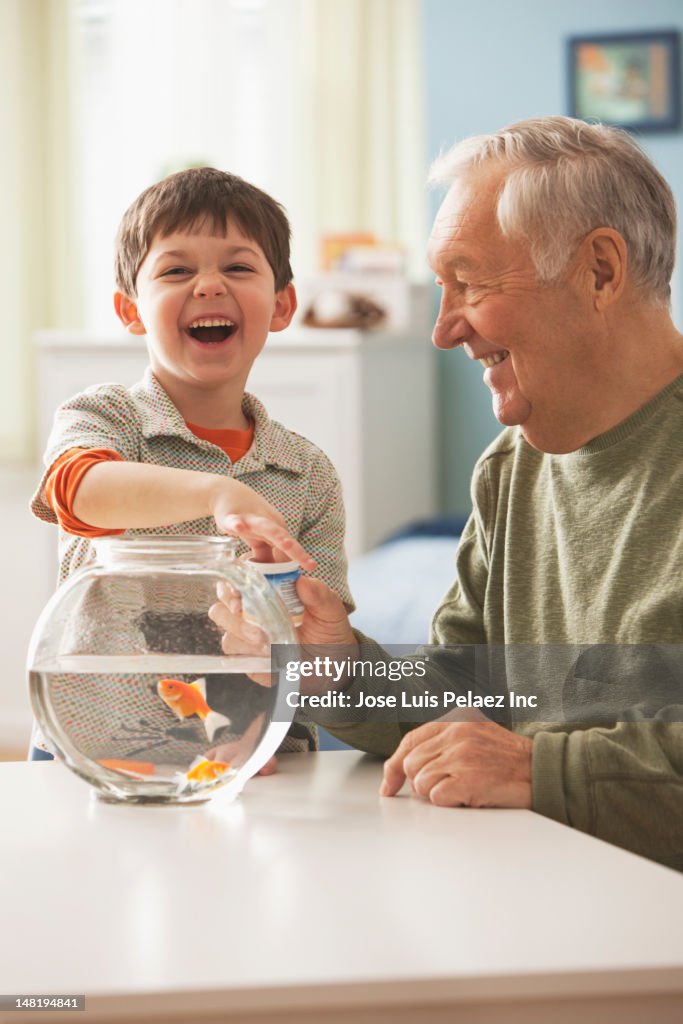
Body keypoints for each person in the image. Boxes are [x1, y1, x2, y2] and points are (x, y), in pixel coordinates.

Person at [212, 116, 683, 868]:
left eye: (469, 282)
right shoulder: (510, 468)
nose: (442, 330)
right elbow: (464, 695)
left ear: (599, 270)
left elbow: (512, 749)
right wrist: (340, 667)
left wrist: (538, 768)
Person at [30, 167, 353, 760]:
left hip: (256, 761)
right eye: (177, 270)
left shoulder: (307, 472)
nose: (208, 285)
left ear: (282, 305)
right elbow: (77, 489)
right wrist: (214, 493)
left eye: (237, 267)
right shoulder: (106, 416)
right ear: (131, 310)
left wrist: (270, 721)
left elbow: (323, 659)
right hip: (98, 756)